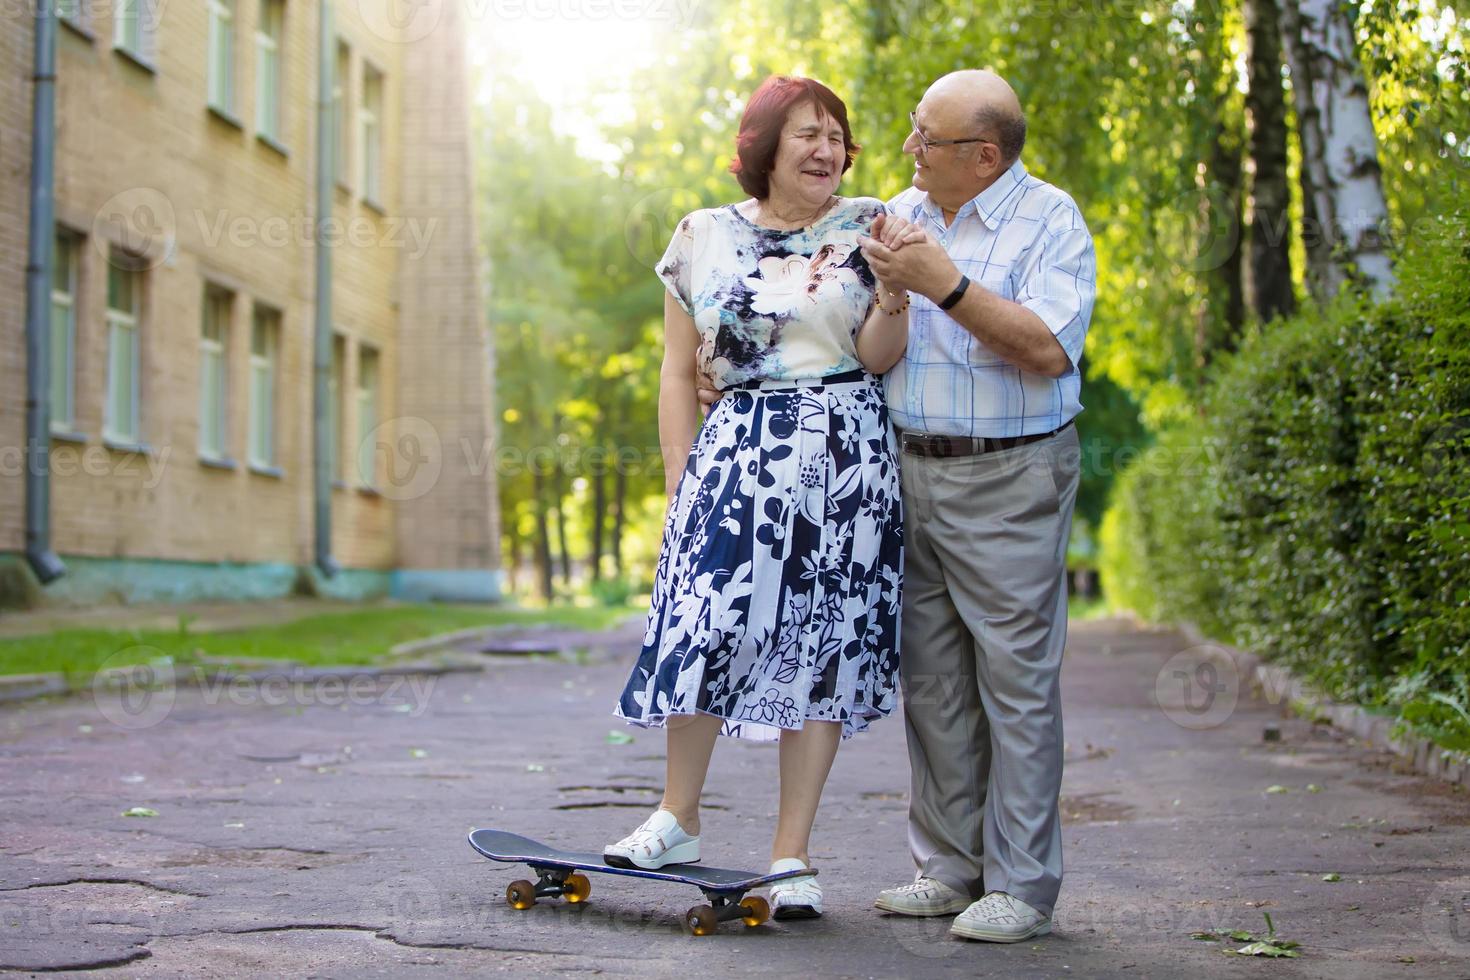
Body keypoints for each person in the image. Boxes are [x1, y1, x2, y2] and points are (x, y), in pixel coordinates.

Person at [607, 75, 919, 920]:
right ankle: (678, 815)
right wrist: (682, 480)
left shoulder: (871, 224)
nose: (827, 150)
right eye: (808, 134)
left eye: (837, 136)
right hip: (735, 451)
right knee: (705, 622)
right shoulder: (701, 234)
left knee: (820, 645)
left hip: (843, 456)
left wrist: (894, 290)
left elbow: (880, 355)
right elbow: (679, 370)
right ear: (764, 147)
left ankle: (791, 855)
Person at [859, 69, 1096, 944]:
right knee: (933, 681)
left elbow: (1046, 348)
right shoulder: (896, 211)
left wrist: (943, 284)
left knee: (1016, 684)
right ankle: (949, 868)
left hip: (1012, 476)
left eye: (928, 136)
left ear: (985, 155)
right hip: (908, 470)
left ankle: (1023, 885)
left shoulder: (1051, 221)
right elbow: (858, 340)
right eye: (914, 129)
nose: (910, 148)